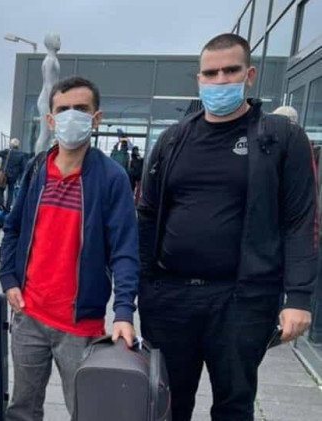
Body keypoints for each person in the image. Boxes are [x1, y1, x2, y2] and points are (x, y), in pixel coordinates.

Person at [137, 34, 316, 421]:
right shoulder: (173, 140)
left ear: (249, 75)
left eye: (230, 71)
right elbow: (147, 215)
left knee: (234, 406)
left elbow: (300, 221)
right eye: (211, 73)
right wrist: (143, 286)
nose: (220, 80)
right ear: (199, 79)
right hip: (170, 299)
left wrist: (299, 298)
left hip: (240, 301)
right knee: (164, 406)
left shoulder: (280, 138)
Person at [0, 76, 139, 419]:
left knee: (88, 411)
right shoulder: (36, 170)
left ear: (96, 118)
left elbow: (124, 251)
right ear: (50, 119)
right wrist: (8, 278)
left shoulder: (111, 178)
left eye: (81, 108)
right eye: (63, 109)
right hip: (29, 315)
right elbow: (13, 227)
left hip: (80, 326)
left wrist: (123, 312)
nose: (71, 116)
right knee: (21, 410)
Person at [0, 138, 29, 212]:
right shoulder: (22, 154)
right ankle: (8, 208)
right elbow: (23, 167)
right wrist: (19, 175)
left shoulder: (7, 152)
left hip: (4, 175)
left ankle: (1, 206)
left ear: (10, 144)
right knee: (10, 191)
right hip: (14, 176)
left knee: (1, 190)